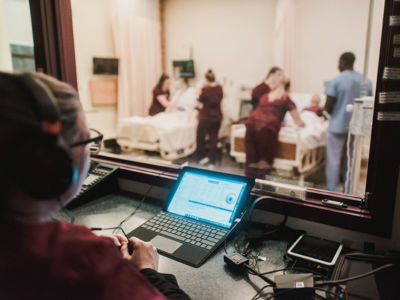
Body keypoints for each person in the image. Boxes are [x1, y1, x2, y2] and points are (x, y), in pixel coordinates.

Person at [0, 72, 190, 300]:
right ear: (49, 161)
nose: (91, 155)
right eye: (88, 141)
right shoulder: (82, 261)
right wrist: (147, 271)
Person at [324, 52, 372, 192]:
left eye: (339, 62)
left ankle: (332, 191)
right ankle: (349, 190)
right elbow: (367, 102)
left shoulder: (336, 81)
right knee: (352, 159)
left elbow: (328, 106)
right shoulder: (366, 81)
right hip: (356, 127)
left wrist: (331, 113)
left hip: (337, 126)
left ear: (342, 62)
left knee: (334, 160)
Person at [245, 80, 305, 178]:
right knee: (263, 165)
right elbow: (298, 121)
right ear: (288, 89)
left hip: (250, 127)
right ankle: (259, 190)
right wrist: (304, 125)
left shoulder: (265, 97)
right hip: (267, 131)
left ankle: (247, 190)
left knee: (250, 164)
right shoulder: (285, 99)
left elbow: (264, 113)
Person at [195, 69, 223, 169]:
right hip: (217, 118)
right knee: (214, 139)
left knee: (200, 136)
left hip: (205, 118)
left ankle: (202, 157)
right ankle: (212, 162)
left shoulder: (205, 89)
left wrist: (198, 92)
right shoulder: (220, 88)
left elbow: (199, 103)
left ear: (206, 79)